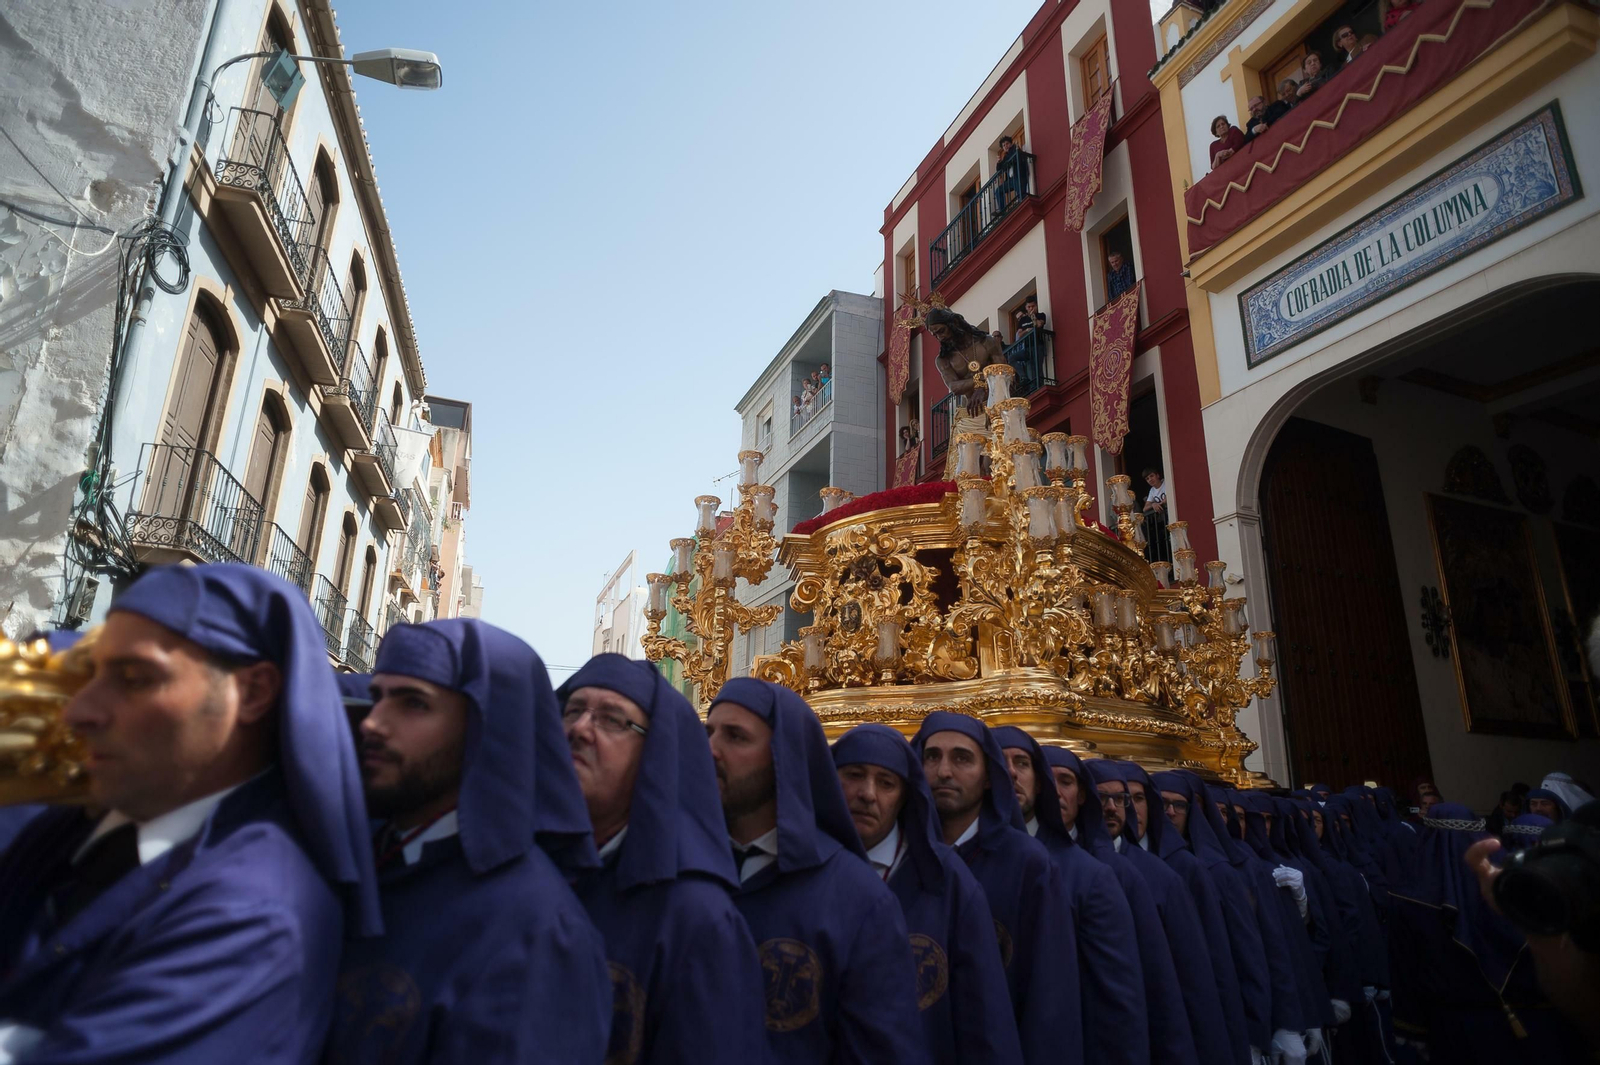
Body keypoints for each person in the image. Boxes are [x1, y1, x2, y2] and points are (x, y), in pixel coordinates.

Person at [0, 564, 382, 1064]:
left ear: (253, 693)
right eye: (92, 673)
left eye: (134, 678)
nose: (78, 712)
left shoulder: (253, 919)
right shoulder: (75, 828)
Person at [326, 620, 611, 1064]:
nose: (374, 724)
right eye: (378, 697)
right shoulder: (368, 860)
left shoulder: (539, 932)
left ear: (486, 727)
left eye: (414, 703)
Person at [557, 654, 768, 1065]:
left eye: (611, 720)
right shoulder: (521, 873)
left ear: (653, 754)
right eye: (573, 710)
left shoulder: (698, 917)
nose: (580, 728)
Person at [707, 679, 926, 1065]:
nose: (710, 749)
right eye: (709, 732)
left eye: (736, 737)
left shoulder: (859, 898)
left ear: (783, 756)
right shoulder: (683, 868)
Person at [831, 725, 1023, 1065]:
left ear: (906, 795)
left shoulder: (949, 879)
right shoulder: (802, 871)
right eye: (854, 776)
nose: (868, 794)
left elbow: (984, 1018)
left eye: (886, 783)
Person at [912, 712, 1081, 1065]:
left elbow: (1050, 998)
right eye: (932, 757)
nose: (944, 771)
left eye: (962, 758)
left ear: (989, 777)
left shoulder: (1029, 864)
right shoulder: (903, 855)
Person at [989, 730, 1146, 1065]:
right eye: (1000, 762)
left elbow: (1119, 1002)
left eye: (1022, 763)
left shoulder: (1091, 876)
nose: (1011, 773)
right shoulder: (957, 865)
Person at [1102, 760, 1242, 1065]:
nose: (1129, 808)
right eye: (1123, 798)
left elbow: (1212, 960)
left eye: (1138, 798)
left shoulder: (1181, 870)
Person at [1078, 758, 1201, 1065]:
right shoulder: (1061, 865)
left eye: (1122, 799)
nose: (1112, 808)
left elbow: (1185, 976)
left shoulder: (1159, 876)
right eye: (1101, 797)